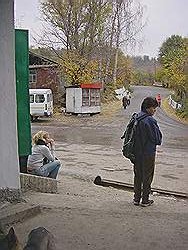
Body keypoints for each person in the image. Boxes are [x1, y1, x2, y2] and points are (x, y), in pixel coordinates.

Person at [133, 97, 162, 207]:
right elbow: (158, 139)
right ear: (148, 108)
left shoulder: (137, 117)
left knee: (138, 175)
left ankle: (136, 199)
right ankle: (145, 200)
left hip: (136, 152)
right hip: (148, 153)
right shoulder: (150, 120)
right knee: (147, 176)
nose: (154, 111)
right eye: (153, 108)